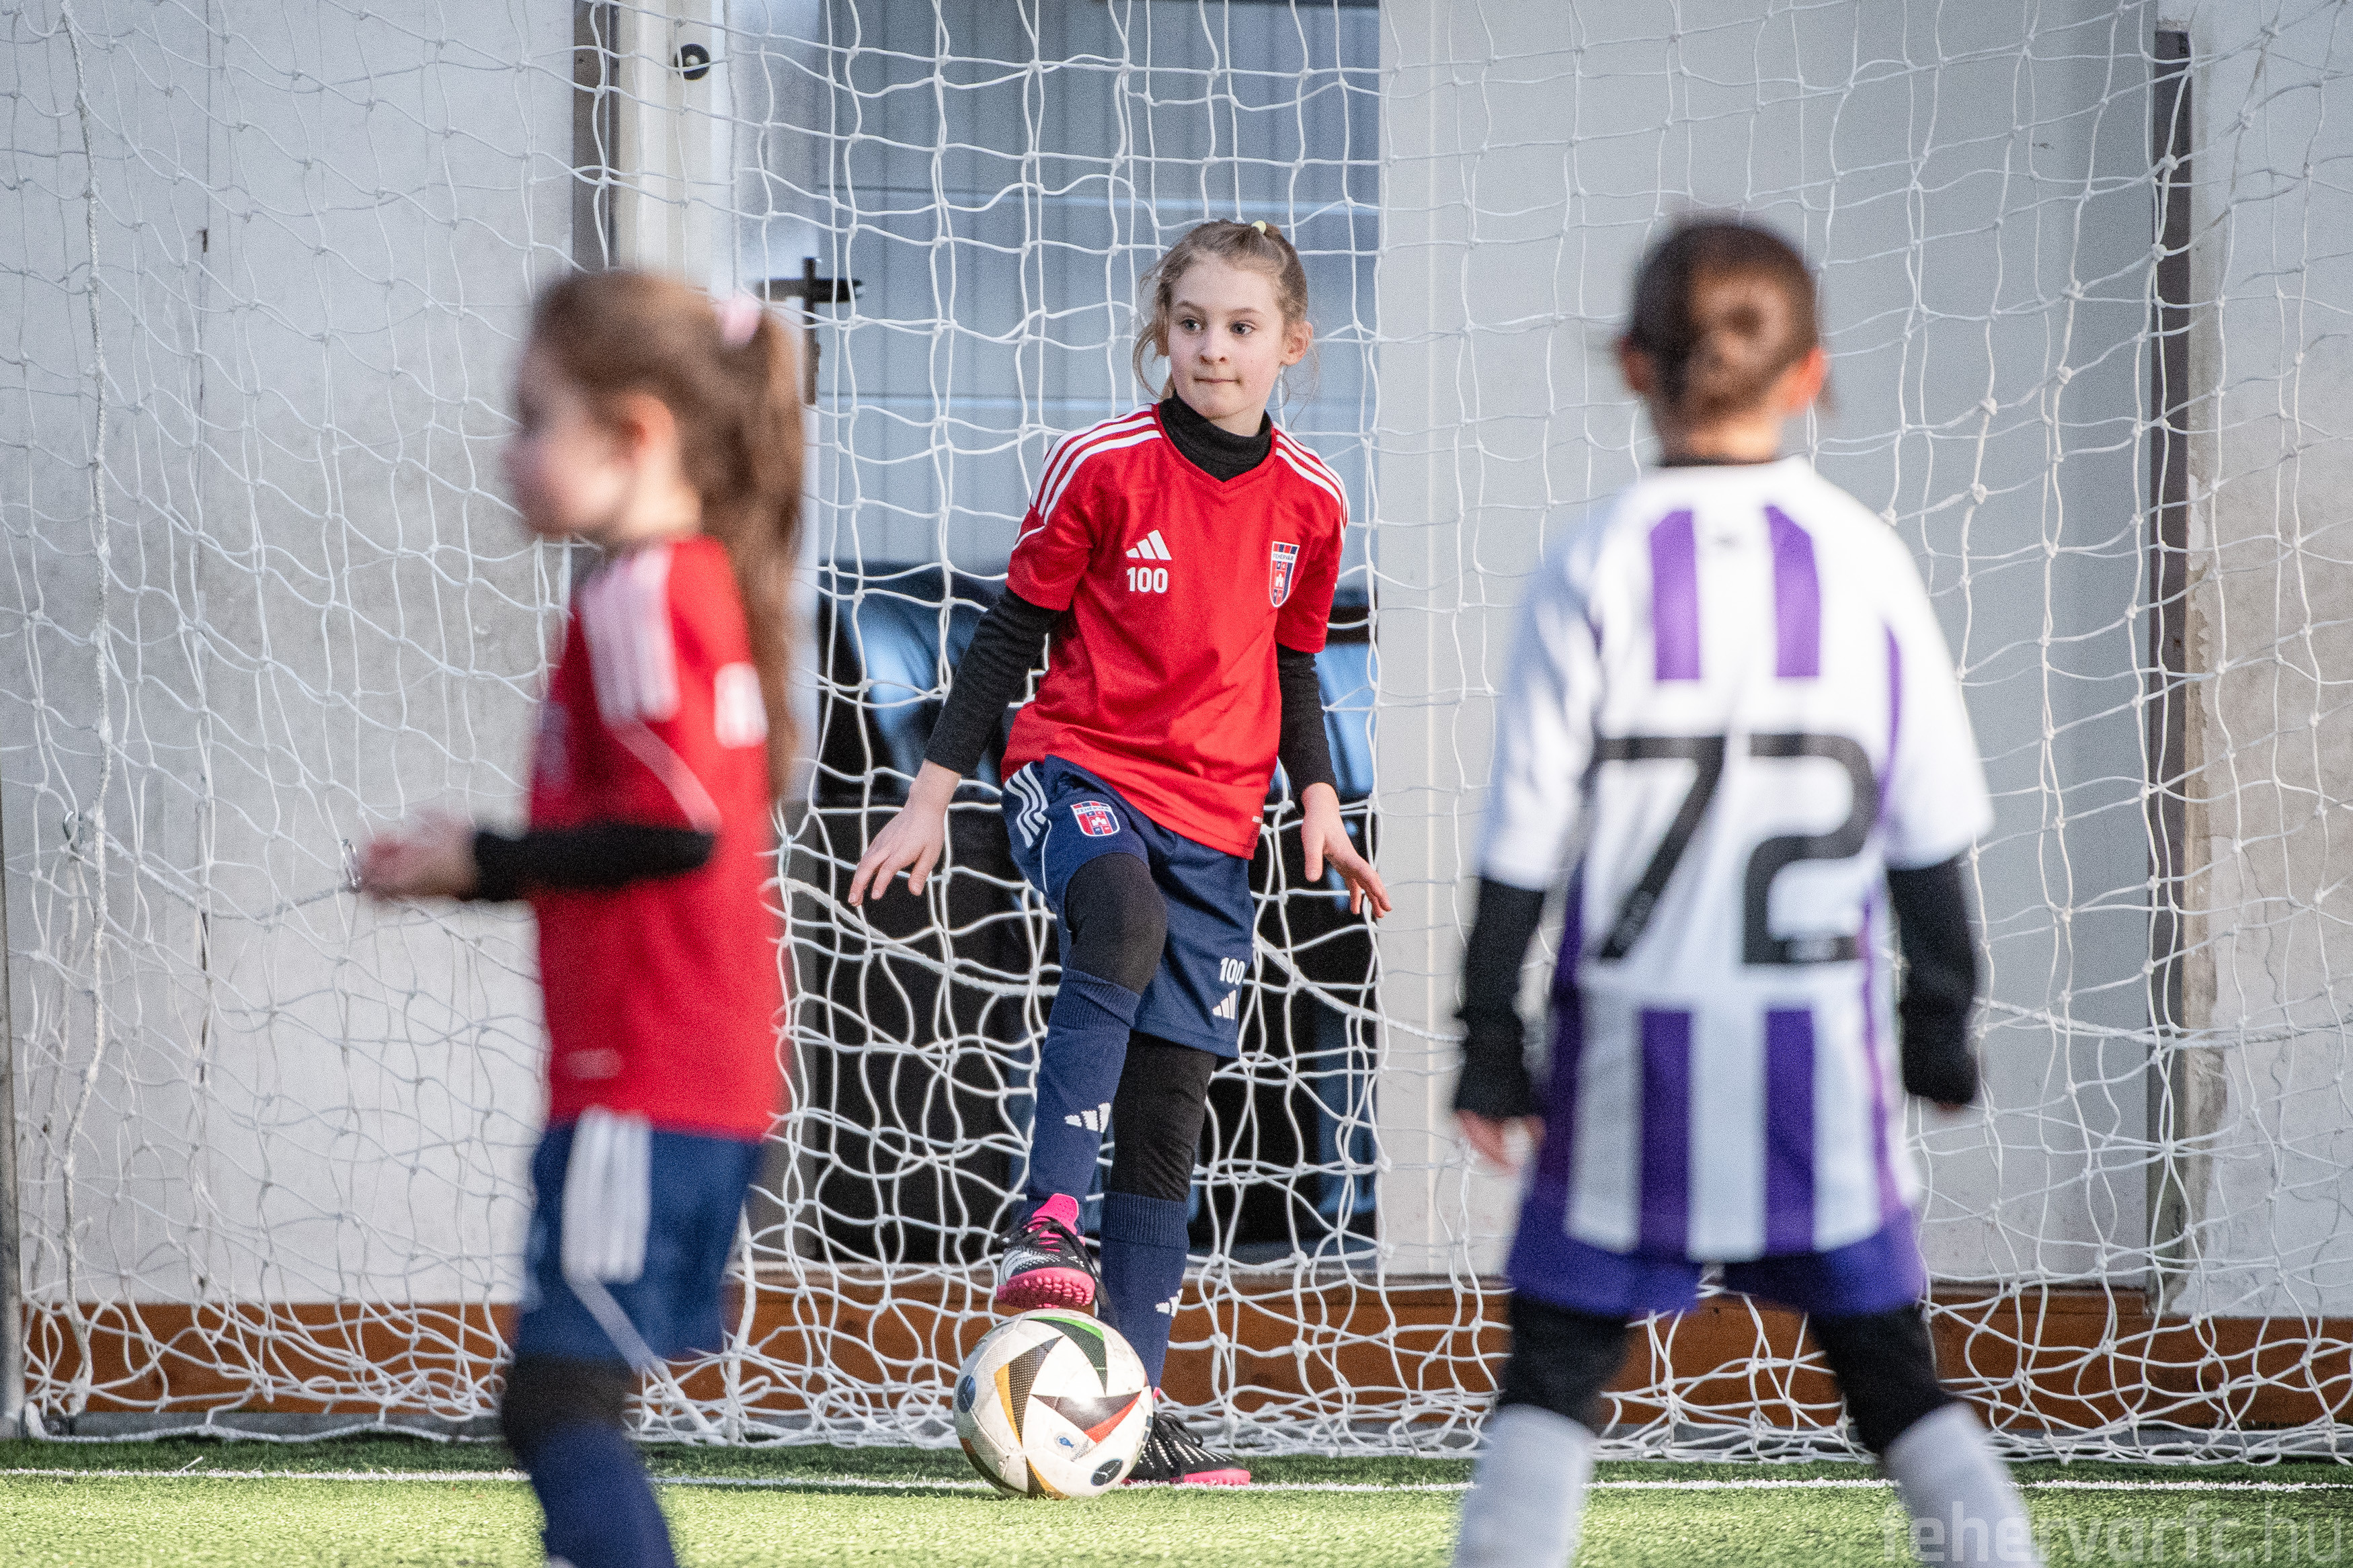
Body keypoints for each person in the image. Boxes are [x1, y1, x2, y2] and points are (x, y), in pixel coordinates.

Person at [1449, 220, 2041, 1567]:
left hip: (1628, 1062)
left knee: (1552, 1374)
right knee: (1894, 1383)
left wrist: (1489, 1040)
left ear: (1628, 364)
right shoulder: (1864, 561)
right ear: (1810, 373)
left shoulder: (1592, 561)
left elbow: (1523, 841)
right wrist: (1939, 1025)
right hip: (1813, 1066)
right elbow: (1927, 835)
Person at [848, 218, 1391, 1487]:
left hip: (1220, 824)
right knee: (1123, 920)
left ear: (1292, 345)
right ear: (1162, 334)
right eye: (1191, 323)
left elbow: (1295, 661)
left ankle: (1128, 1412)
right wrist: (930, 799)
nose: (1214, 348)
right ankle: (1046, 1219)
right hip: (1077, 772)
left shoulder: (1313, 500)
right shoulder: (1100, 466)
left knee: (1167, 1114)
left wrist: (1316, 796)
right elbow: (1007, 634)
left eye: (1242, 327)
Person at [360, 272, 801, 1568]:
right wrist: (479, 867)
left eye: (533, 417)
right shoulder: (675, 584)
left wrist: (485, 857)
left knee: (557, 1398)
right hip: (677, 1079)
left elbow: (678, 828)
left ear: (636, 435)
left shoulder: (642, 596)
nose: (509, 450)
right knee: (563, 1395)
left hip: (648, 1082)